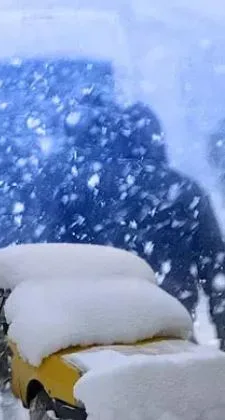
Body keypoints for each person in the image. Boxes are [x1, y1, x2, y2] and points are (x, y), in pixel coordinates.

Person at [42, 99, 225, 347]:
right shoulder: (183, 189)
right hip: (173, 328)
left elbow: (55, 268)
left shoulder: (79, 191)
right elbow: (216, 268)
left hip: (100, 333)